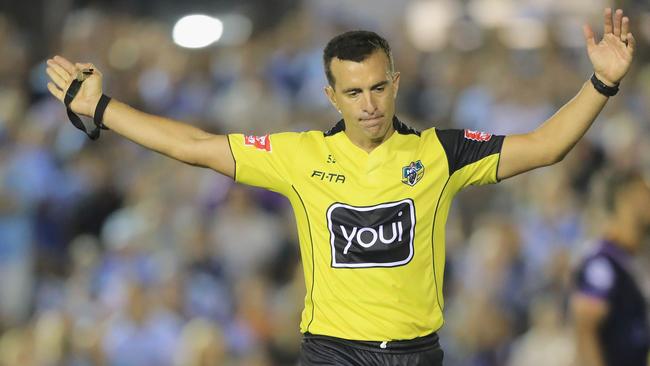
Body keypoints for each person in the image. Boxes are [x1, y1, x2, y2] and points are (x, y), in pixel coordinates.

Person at [45, 8, 635, 366]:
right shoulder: (301, 156)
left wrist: (601, 84)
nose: (369, 104)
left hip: (416, 353)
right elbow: (193, 146)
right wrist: (103, 107)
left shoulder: (441, 151)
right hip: (331, 353)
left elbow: (547, 146)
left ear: (396, 82)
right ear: (331, 96)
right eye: (353, 93)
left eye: (378, 88)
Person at [571, 171, 650, 366]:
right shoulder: (602, 262)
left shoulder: (634, 257)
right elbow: (585, 331)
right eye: (645, 192)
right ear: (626, 200)